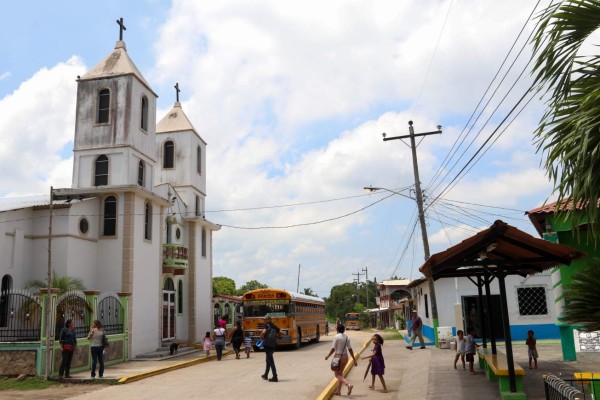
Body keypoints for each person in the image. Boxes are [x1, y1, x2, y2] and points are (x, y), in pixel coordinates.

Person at [325, 324, 357, 396]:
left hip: (338, 357)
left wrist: (328, 356)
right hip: (345, 357)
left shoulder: (336, 337)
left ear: (337, 330)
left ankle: (348, 385)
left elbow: (333, 348)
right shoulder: (346, 337)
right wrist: (354, 359)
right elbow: (350, 349)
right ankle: (338, 391)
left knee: (337, 375)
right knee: (340, 374)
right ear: (344, 330)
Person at [259, 315, 281, 382]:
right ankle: (266, 374)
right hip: (273, 345)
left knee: (270, 361)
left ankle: (275, 376)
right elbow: (280, 332)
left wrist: (261, 337)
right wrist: (276, 337)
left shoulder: (266, 326)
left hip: (267, 345)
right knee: (268, 359)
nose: (264, 321)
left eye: (265, 320)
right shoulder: (274, 326)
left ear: (268, 320)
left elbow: (263, 332)